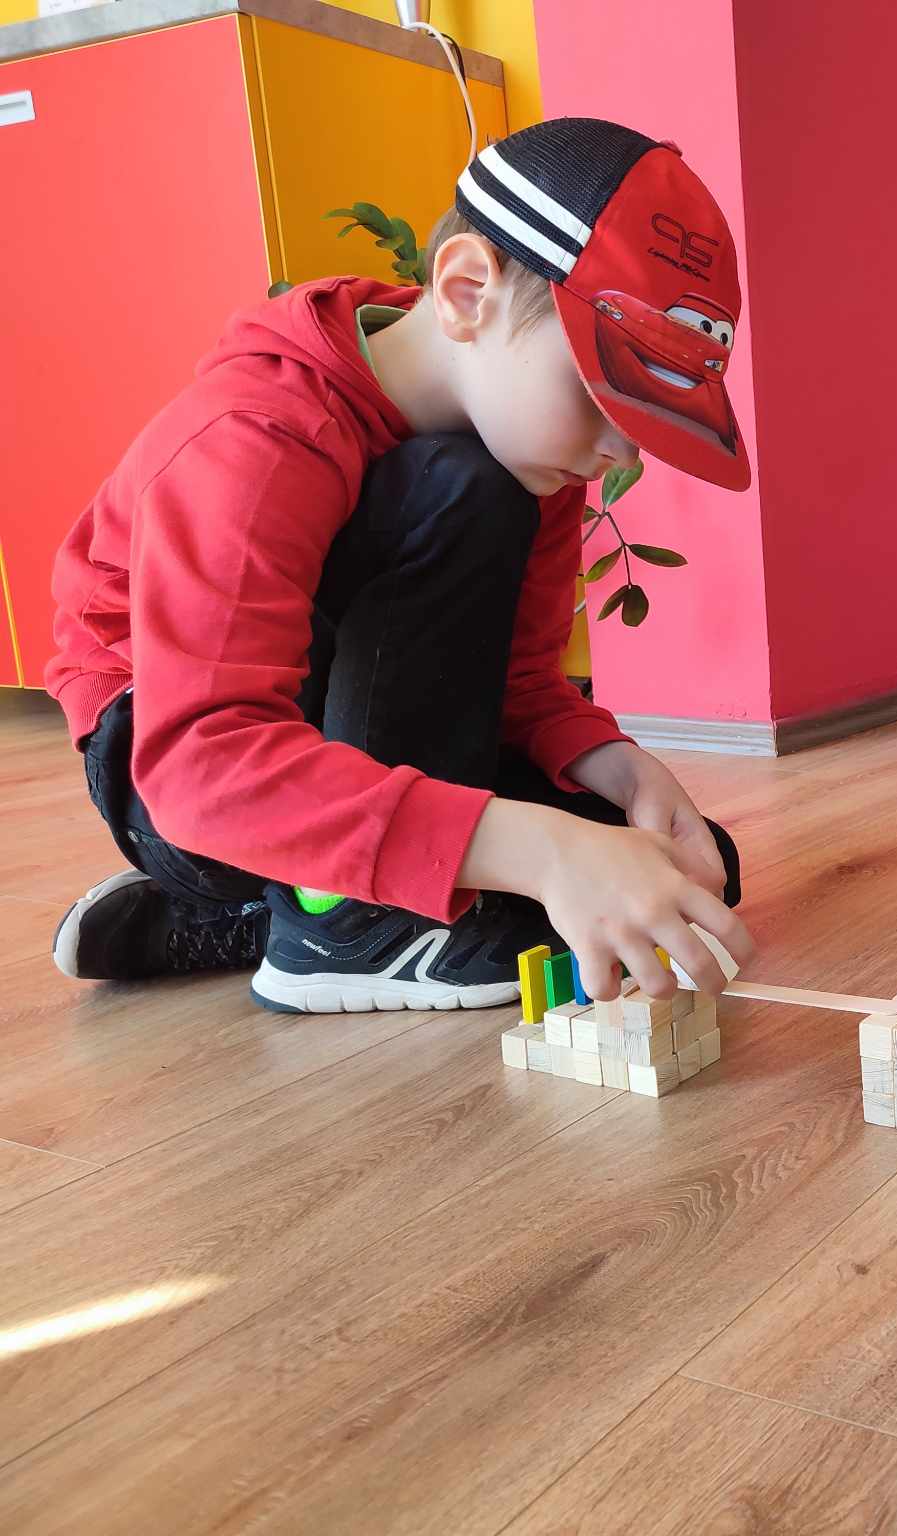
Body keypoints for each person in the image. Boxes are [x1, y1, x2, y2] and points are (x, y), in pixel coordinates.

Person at [46, 118, 755, 1013]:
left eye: (645, 417)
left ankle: (264, 913)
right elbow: (202, 762)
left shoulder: (534, 449)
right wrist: (547, 853)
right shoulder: (253, 433)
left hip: (362, 744)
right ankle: (337, 924)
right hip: (176, 772)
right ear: (465, 293)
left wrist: (624, 770)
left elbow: (517, 683)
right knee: (465, 487)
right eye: (600, 394)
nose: (620, 452)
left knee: (689, 870)